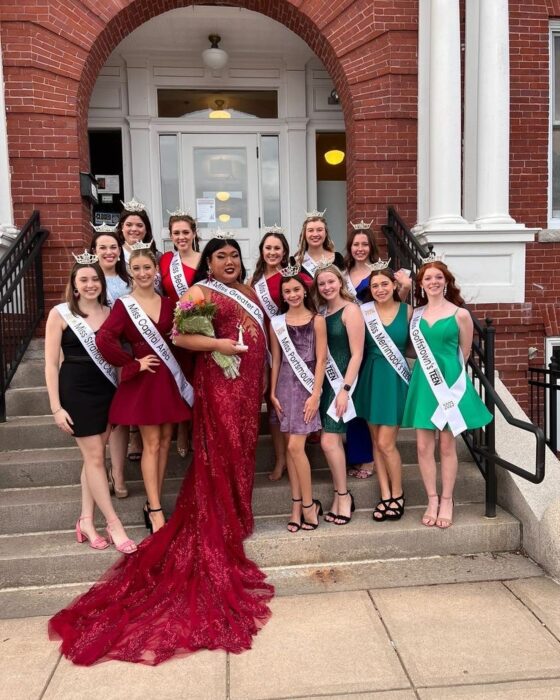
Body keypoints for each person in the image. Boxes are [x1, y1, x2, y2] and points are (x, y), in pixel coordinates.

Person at [49, 235, 274, 666]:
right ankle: (208, 511)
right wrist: (217, 347)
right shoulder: (198, 292)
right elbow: (185, 341)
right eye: (220, 256)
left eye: (233, 255)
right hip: (219, 384)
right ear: (207, 262)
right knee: (217, 446)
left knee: (242, 448)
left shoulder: (247, 291)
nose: (229, 261)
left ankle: (240, 510)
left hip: (248, 388)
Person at [95, 244, 192, 535]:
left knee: (164, 442)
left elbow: (180, 340)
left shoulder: (169, 303)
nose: (142, 273)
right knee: (151, 444)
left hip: (168, 378)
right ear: (130, 272)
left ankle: (154, 503)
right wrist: (132, 363)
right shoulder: (124, 305)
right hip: (146, 379)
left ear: (155, 271)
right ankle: (156, 508)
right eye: (136, 269)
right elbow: (105, 339)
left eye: (147, 267)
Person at [44, 253, 136, 555]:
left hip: (106, 388)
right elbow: (49, 364)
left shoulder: (112, 313)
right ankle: (113, 523)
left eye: (95, 278)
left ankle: (85, 519)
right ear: (74, 284)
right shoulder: (60, 314)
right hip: (76, 390)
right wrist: (56, 407)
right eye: (83, 279)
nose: (90, 284)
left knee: (92, 459)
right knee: (97, 457)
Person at [402, 256, 492, 528]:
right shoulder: (415, 314)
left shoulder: (460, 314)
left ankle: (447, 500)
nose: (433, 282)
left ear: (446, 282)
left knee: (446, 444)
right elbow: (410, 348)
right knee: (422, 446)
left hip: (448, 384)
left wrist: (450, 379)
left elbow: (464, 352)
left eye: (438, 277)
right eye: (427, 278)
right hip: (423, 382)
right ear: (421, 284)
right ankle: (431, 498)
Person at [353, 264, 412, 521]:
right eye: (374, 286)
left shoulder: (408, 312)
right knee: (377, 443)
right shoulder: (363, 313)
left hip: (394, 380)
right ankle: (385, 494)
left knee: (387, 443)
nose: (379, 289)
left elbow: (414, 347)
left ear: (393, 286)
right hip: (371, 378)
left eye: (384, 284)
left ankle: (398, 494)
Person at [269, 270, 327, 531]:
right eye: (287, 292)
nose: (292, 295)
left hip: (306, 388)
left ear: (304, 291)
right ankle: (297, 506)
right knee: (293, 450)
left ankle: (308, 505)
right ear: (282, 296)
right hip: (284, 386)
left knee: (294, 447)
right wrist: (271, 393)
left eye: (296, 290)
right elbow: (277, 360)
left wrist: (316, 393)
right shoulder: (277, 322)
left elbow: (322, 359)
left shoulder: (317, 320)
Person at [312, 264, 364, 525]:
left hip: (342, 383)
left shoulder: (351, 310)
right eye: (322, 284)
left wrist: (344, 389)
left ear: (340, 282)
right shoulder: (323, 311)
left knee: (329, 441)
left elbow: (357, 354)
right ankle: (339, 494)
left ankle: (344, 496)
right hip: (326, 384)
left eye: (330, 281)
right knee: (329, 441)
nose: (327, 287)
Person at [115, 199, 159, 461]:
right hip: (121, 325)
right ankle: (133, 433)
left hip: (149, 327)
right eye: (129, 224)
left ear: (146, 229)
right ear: (121, 228)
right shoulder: (112, 253)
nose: (134, 229)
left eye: (139, 225)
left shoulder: (155, 254)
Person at [90, 225, 131, 498]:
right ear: (94, 251)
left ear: (120, 251)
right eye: (102, 247)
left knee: (120, 417)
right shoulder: (87, 280)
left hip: (123, 353)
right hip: (91, 355)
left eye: (113, 247)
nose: (108, 252)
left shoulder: (129, 282)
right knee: (97, 415)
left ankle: (118, 473)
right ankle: (98, 466)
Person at [158, 211, 201, 458]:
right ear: (171, 236)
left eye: (186, 232)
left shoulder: (205, 259)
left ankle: (197, 426)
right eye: (177, 233)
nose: (181, 237)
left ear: (194, 233)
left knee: (198, 380)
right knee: (179, 379)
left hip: (203, 329)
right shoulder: (165, 262)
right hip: (174, 330)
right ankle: (183, 427)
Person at [295, 210, 344, 278]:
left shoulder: (337, 258)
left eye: (319, 230)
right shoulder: (296, 261)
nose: (315, 234)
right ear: (304, 234)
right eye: (310, 230)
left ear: (326, 233)